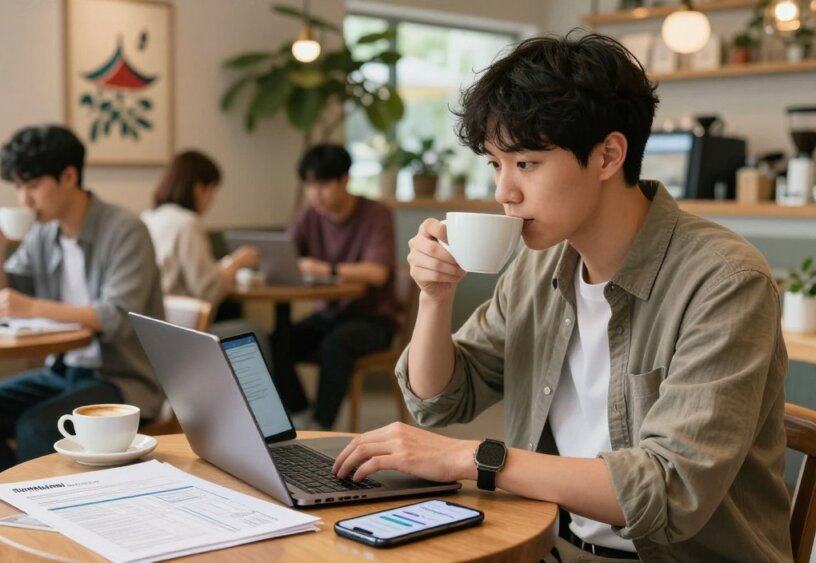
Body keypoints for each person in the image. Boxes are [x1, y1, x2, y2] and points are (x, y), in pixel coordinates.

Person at [332, 33, 793, 561]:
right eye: (495, 165)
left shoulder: (724, 279)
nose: (504, 191)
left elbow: (671, 489)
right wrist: (435, 297)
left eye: (526, 163)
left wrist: (473, 460)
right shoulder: (538, 264)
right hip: (549, 544)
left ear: (608, 156)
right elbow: (442, 400)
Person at [0, 124, 165, 477]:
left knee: (37, 427)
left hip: (121, 380)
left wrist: (31, 307)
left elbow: (116, 317)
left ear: (69, 176)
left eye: (33, 186)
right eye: (18, 187)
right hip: (63, 372)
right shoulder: (45, 234)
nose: (24, 200)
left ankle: (41, 524)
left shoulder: (125, 230)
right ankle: (2, 506)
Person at [280, 144, 399, 431]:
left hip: (373, 319)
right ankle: (299, 415)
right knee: (275, 341)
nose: (314, 194)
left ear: (345, 179)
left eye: (322, 184)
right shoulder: (311, 215)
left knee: (335, 344)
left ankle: (320, 427)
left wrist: (326, 269)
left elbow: (378, 273)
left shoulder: (376, 214)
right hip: (328, 315)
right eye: (308, 185)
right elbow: (285, 252)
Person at [140, 150, 272, 357]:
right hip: (180, 331)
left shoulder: (148, 218)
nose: (211, 200)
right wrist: (237, 262)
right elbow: (207, 289)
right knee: (254, 332)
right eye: (212, 191)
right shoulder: (187, 223)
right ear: (200, 189)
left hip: (150, 332)